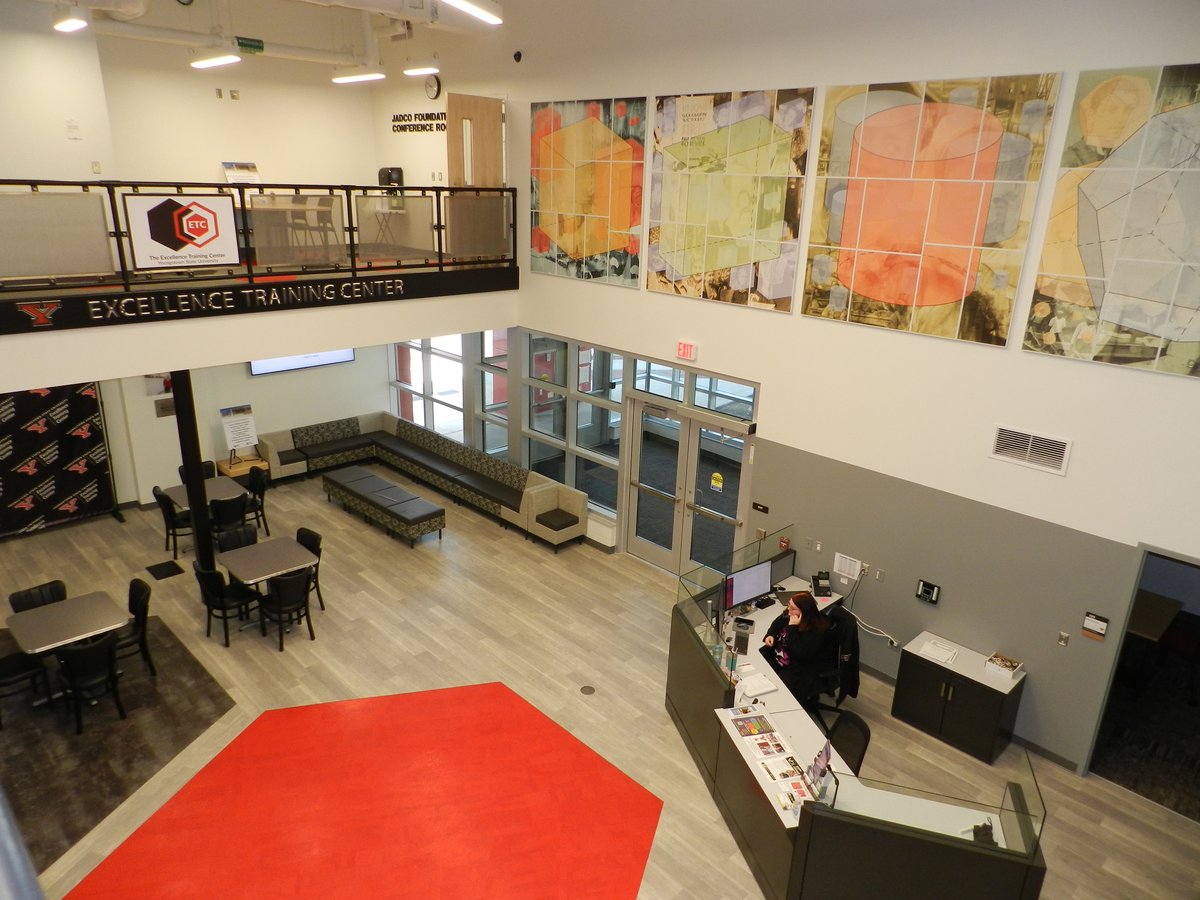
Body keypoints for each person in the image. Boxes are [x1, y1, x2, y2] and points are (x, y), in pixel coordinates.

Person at [760, 591, 832, 707]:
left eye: (792, 608)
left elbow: (800, 652)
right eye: (788, 605)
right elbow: (777, 623)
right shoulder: (790, 614)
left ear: (804, 612)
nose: (788, 610)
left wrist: (792, 627)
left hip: (797, 669)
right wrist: (771, 634)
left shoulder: (816, 631)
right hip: (779, 658)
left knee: (778, 695)